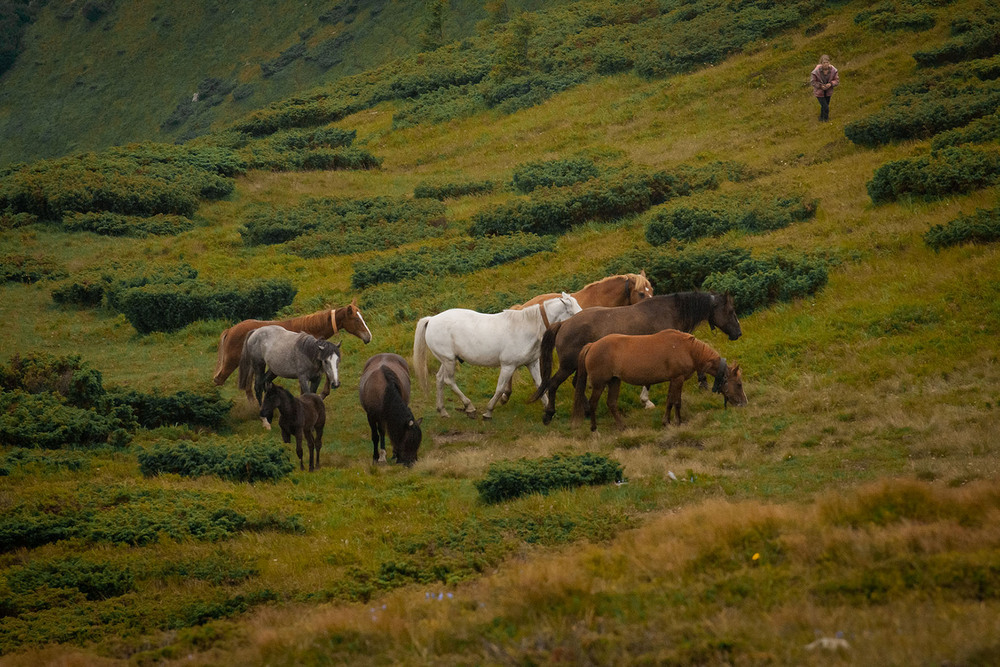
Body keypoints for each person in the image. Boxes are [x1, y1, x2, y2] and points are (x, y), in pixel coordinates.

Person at [810, 54, 839, 122]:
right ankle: (826, 120)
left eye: (827, 62)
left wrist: (830, 84)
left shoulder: (833, 70)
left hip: (828, 92)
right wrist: (820, 86)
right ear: (821, 63)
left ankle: (821, 118)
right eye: (824, 63)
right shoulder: (816, 72)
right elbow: (813, 82)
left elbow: (837, 80)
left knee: (825, 106)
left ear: (829, 63)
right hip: (819, 93)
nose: (825, 64)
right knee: (826, 107)